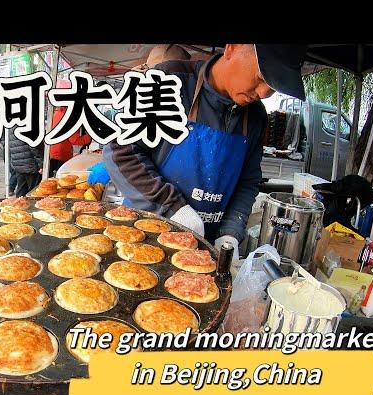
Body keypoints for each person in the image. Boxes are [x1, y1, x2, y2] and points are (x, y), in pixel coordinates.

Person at [103, 44, 307, 258]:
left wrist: (230, 232)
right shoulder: (170, 80)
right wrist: (172, 208)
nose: (264, 93)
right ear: (233, 48)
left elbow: (248, 181)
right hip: (144, 238)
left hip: (204, 248)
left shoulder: (256, 116)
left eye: (274, 85)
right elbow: (120, 152)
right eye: (261, 76)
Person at [49, 107, 92, 177]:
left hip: (53, 151)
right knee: (62, 178)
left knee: (54, 177)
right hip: (62, 153)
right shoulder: (68, 117)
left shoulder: (56, 112)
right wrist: (88, 136)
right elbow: (75, 139)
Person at [9, 126, 44, 197]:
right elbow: (34, 146)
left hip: (18, 163)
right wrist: (41, 164)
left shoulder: (12, 124)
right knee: (35, 193)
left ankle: (18, 206)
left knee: (21, 192)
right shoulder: (28, 124)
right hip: (30, 164)